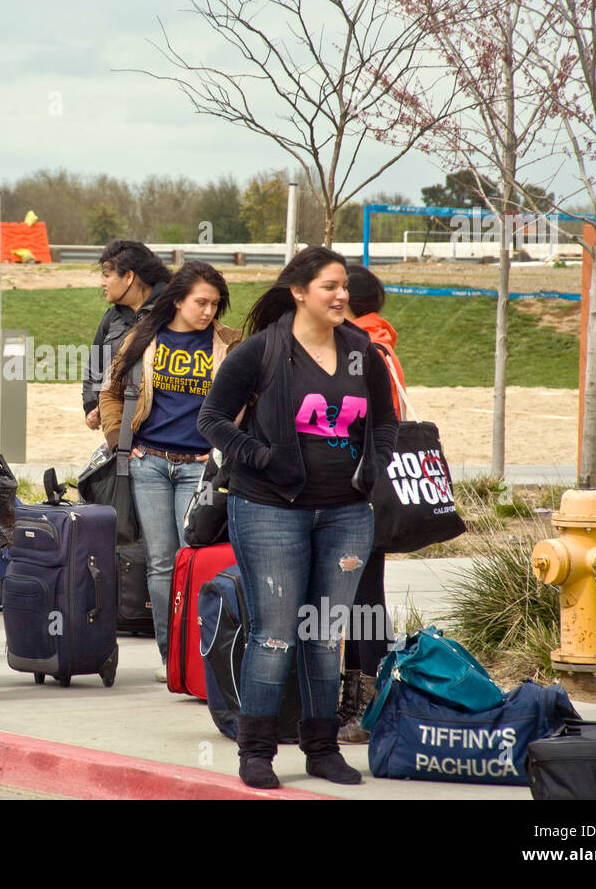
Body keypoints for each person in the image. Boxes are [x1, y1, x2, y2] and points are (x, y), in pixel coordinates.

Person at [197, 246, 398, 789]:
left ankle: (321, 748)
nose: (341, 296)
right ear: (300, 292)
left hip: (346, 514)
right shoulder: (260, 351)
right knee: (276, 634)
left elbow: (384, 423)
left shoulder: (362, 353)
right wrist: (262, 457)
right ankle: (256, 750)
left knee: (326, 632)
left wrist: (372, 470)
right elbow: (211, 420)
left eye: (344, 288)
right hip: (268, 510)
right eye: (329, 287)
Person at [98, 262, 241, 679]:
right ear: (178, 300)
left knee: (192, 557)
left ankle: (204, 655)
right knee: (161, 562)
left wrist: (220, 451)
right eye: (201, 302)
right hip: (150, 463)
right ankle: (172, 656)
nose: (209, 311)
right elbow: (110, 392)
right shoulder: (144, 339)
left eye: (215, 304)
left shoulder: (229, 345)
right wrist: (121, 444)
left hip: (199, 468)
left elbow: (247, 404)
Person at [338, 264, 406, 743]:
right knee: (360, 596)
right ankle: (359, 697)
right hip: (368, 487)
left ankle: (367, 705)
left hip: (358, 489)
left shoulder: (363, 349)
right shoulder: (380, 341)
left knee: (363, 598)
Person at [82, 240, 171, 430]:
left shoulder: (172, 314)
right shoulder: (111, 318)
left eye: (107, 275)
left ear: (129, 277)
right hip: (119, 432)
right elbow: (95, 367)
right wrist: (92, 405)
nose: (102, 282)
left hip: (159, 434)